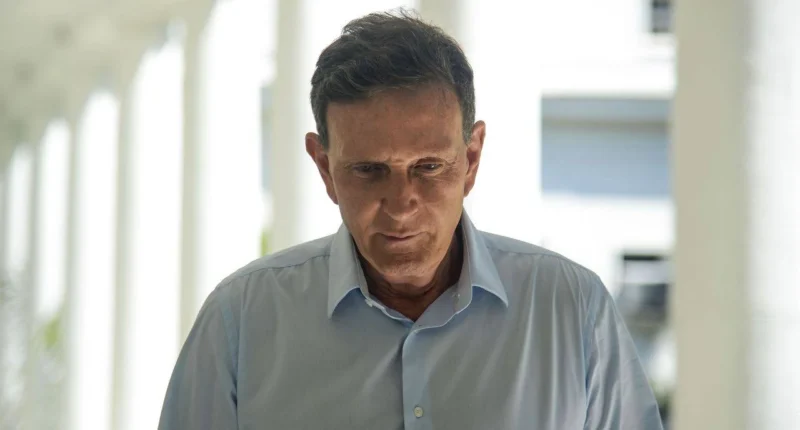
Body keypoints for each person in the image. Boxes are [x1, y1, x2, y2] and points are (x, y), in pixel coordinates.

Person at [158, 10, 663, 430]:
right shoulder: (241, 321)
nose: (401, 205)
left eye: (428, 168)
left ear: (471, 159)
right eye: (368, 170)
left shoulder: (572, 311)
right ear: (324, 168)